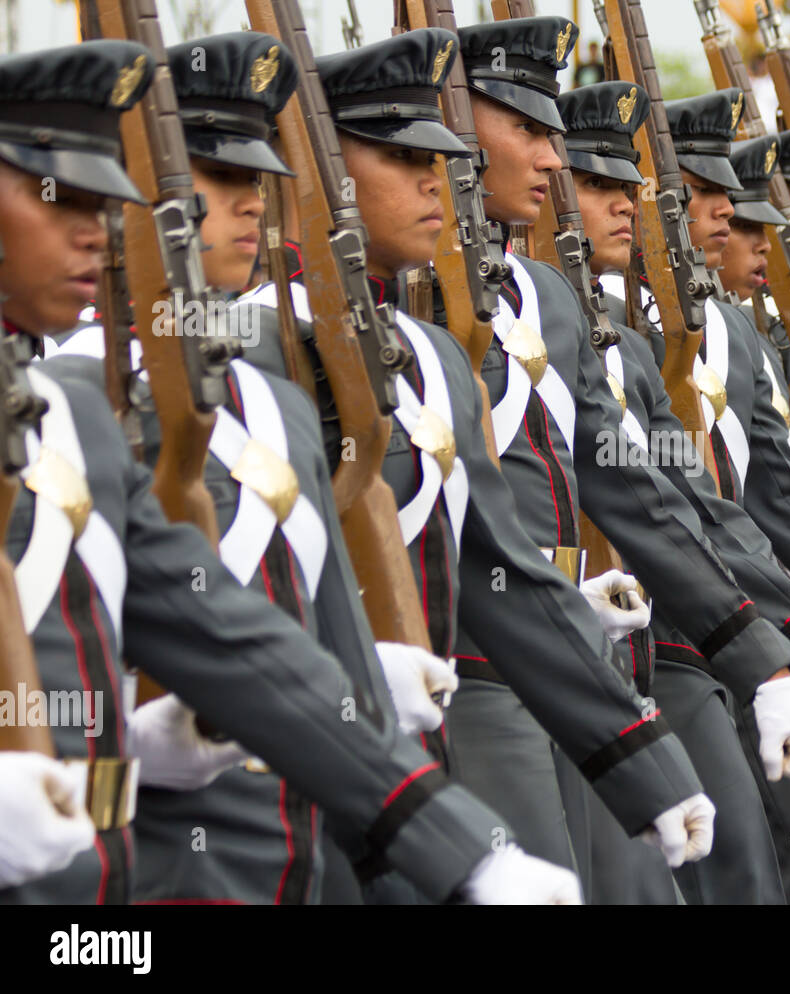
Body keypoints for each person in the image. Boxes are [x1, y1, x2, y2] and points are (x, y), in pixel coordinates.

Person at [0, 36, 575, 907]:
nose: (96, 227)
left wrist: (464, 851)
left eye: (104, 197)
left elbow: (231, 640)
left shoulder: (66, 419)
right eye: (63, 198)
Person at [228, 26, 719, 892]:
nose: (435, 182)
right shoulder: (249, 350)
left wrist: (644, 760)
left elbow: (500, 564)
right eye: (398, 156)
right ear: (317, 170)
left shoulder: (432, 355)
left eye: (440, 157)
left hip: (445, 716)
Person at [563, 83, 790, 904]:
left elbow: (742, 501)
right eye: (705, 193)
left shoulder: (723, 334)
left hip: (727, 629)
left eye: (736, 196)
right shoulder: (591, 331)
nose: (729, 213)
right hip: (637, 651)